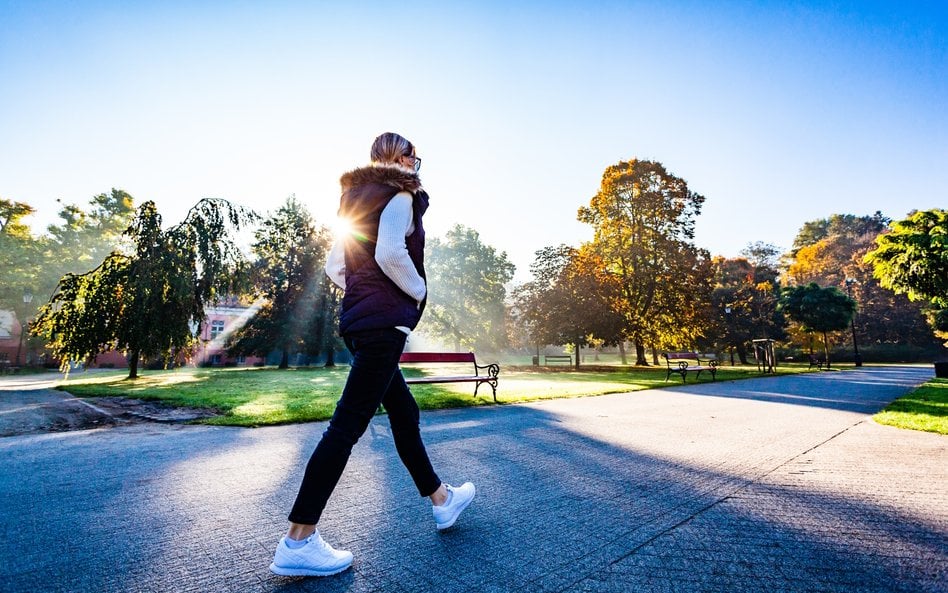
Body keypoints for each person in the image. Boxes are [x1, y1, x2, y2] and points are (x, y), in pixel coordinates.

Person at [270, 132, 476, 577]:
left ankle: (441, 500)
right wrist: (416, 293)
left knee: (404, 413)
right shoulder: (401, 192)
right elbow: (389, 252)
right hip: (384, 328)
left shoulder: (354, 200)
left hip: (361, 327)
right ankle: (298, 540)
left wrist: (365, 297)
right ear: (400, 160)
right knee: (345, 428)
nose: (416, 168)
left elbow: (334, 267)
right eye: (414, 159)